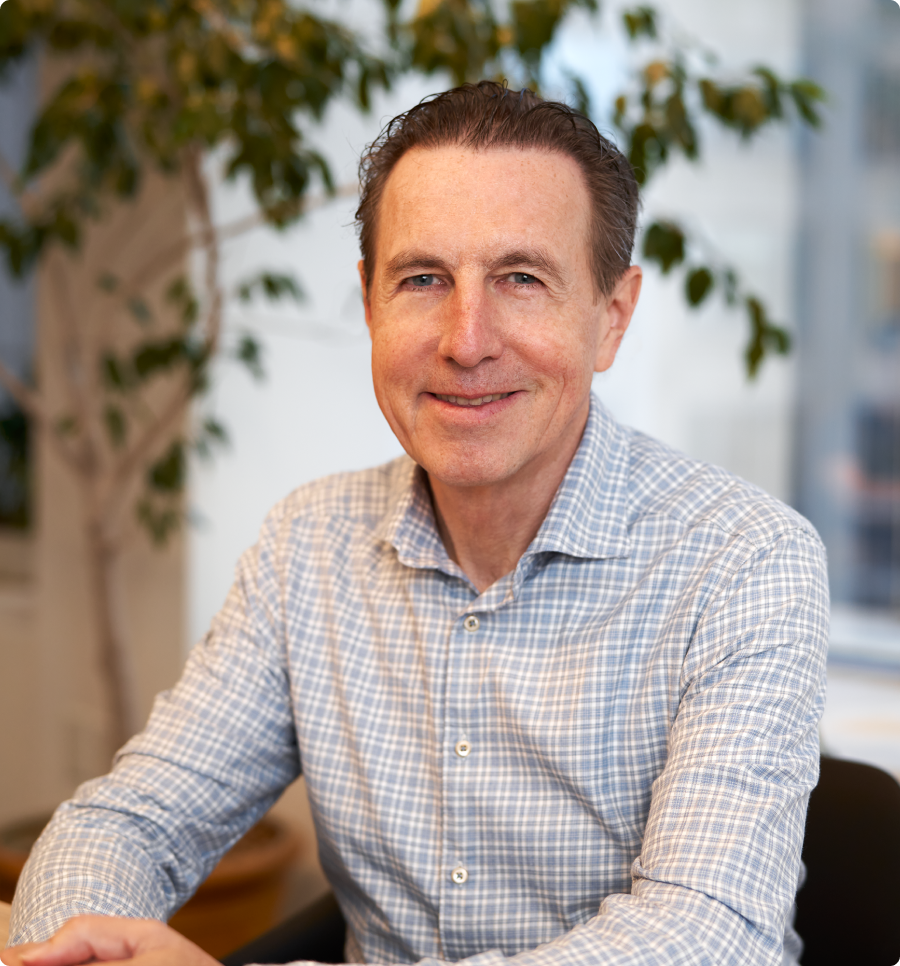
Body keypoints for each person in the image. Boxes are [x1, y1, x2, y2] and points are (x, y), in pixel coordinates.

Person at [2, 81, 828, 966]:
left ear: (610, 319)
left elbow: (706, 936)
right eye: (423, 279)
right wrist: (76, 947)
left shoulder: (747, 561)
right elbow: (130, 821)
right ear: (370, 303)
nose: (466, 340)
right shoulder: (307, 545)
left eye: (521, 279)